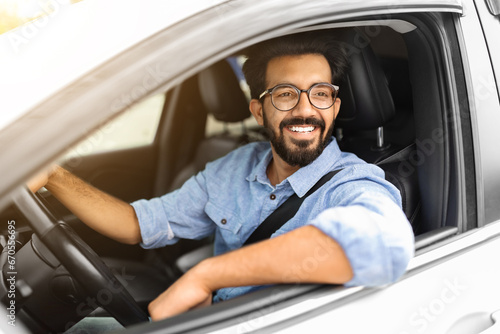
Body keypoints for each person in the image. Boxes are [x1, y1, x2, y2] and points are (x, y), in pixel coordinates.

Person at [28, 32, 414, 322]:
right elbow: (138, 224)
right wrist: (52, 174)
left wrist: (207, 275)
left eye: (320, 93)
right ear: (259, 111)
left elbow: (385, 244)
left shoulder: (353, 182)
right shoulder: (236, 166)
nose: (305, 110)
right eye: (284, 94)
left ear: (334, 106)